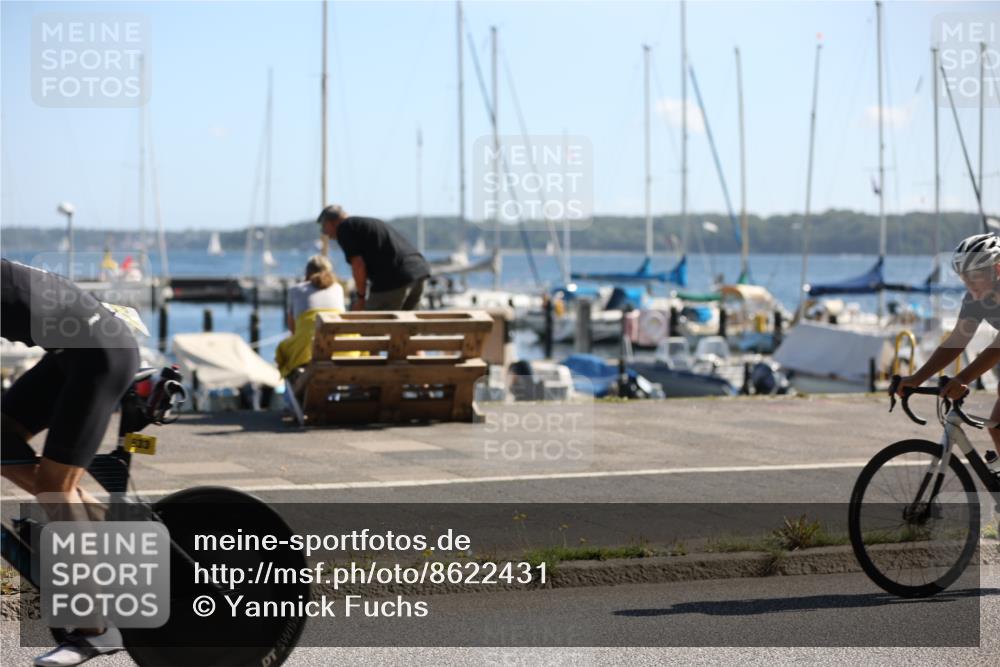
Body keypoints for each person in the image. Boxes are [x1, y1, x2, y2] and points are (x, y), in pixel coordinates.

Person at [1, 258, 139, 665]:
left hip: (100, 354)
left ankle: (95, 629)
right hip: (70, 355)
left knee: (53, 485)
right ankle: (109, 534)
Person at [896, 233, 1000, 475]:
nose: (969, 284)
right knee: (996, 426)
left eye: (975, 276)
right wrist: (916, 378)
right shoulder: (976, 298)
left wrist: (963, 378)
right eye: (964, 278)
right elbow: (957, 340)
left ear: (996, 269)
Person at [317, 204, 430, 311]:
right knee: (406, 327)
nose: (326, 233)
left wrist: (361, 298)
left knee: (370, 327)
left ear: (331, 222)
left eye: (324, 227)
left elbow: (358, 265)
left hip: (395, 278)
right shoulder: (363, 223)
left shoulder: (344, 227)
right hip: (419, 271)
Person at [275, 255, 346, 378]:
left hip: (308, 353)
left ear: (307, 274)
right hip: (344, 351)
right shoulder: (338, 288)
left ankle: (295, 387)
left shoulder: (295, 290)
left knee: (283, 351)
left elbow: (293, 330)